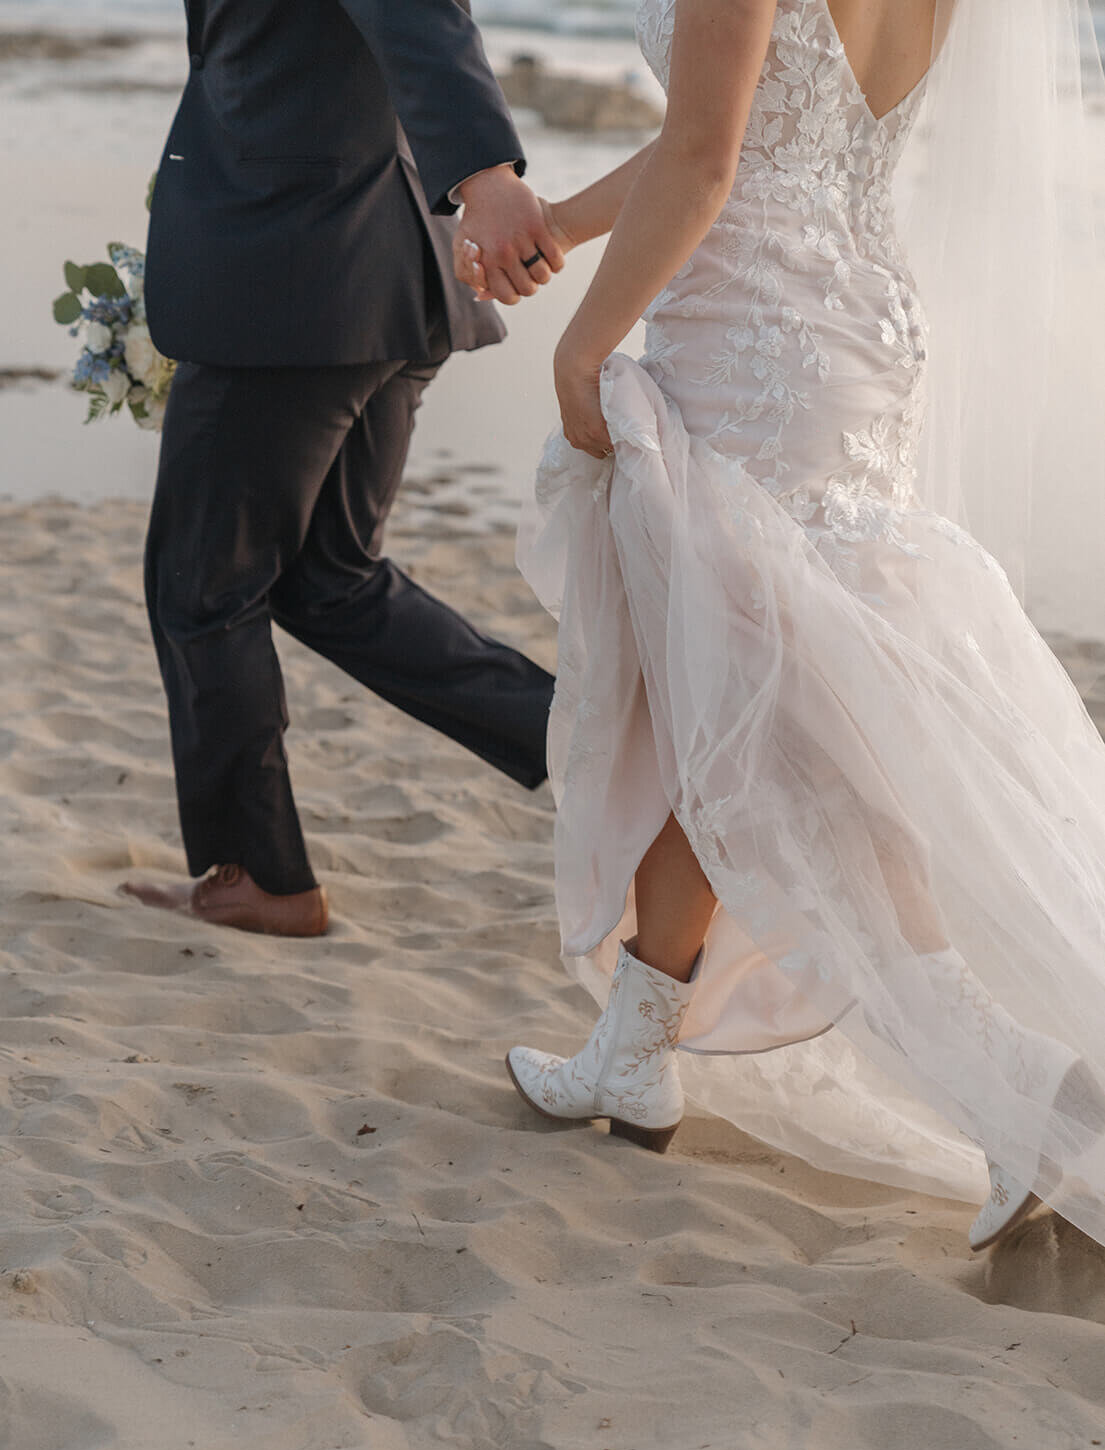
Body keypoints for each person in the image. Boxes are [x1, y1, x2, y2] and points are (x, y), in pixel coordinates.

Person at [458, 0, 1105, 1252]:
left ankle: (1022, 1088)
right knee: (722, 686)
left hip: (750, 340)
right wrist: (561, 230)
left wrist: (583, 345)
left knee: (785, 733)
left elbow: (711, 159)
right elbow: (747, 130)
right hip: (855, 332)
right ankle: (633, 1049)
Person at [123, 0, 564, 938]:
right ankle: (587, 742)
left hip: (296, 280)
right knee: (331, 578)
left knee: (204, 583)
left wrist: (486, 175)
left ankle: (263, 879)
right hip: (374, 275)